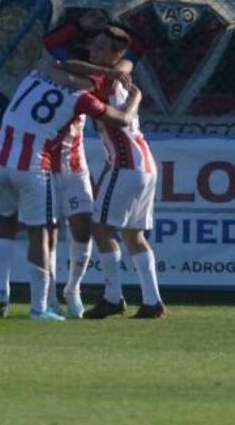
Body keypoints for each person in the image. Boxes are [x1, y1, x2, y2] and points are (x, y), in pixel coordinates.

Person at [0, 58, 140, 321]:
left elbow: (64, 63)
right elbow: (123, 119)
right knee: (42, 233)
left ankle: (4, 291)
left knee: (7, 222)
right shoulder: (83, 99)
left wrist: (106, 69)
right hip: (35, 165)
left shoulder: (39, 71)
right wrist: (136, 95)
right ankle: (40, 307)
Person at [77, 25, 167, 319]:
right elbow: (127, 62)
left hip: (125, 163)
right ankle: (153, 301)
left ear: (115, 55)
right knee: (133, 234)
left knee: (101, 227)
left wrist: (116, 71)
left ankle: (113, 296)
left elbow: (66, 66)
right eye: (94, 44)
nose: (93, 50)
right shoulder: (118, 74)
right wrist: (119, 68)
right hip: (144, 163)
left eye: (101, 47)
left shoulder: (103, 80)